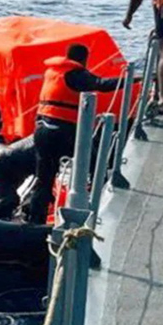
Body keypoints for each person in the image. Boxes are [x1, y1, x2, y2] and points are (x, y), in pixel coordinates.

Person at [25, 44, 122, 224]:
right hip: (62, 132)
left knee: (44, 178)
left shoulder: (52, 72)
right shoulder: (76, 74)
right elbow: (102, 84)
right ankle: (101, 201)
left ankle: (35, 219)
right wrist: (131, 80)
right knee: (94, 161)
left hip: (42, 130)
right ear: (84, 59)